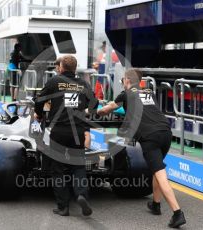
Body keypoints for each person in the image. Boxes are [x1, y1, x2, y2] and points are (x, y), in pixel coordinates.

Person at [97, 68, 186, 228]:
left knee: (160, 172)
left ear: (127, 80)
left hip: (149, 136)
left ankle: (177, 212)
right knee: (156, 170)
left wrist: (97, 112)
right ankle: (156, 204)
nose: (123, 82)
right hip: (165, 132)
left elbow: (107, 109)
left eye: (123, 80)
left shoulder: (126, 93)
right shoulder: (149, 93)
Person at [34, 55, 98, 216]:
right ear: (75, 69)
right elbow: (95, 104)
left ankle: (63, 206)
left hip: (59, 131)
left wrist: (39, 114)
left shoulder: (54, 81)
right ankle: (82, 194)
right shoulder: (83, 84)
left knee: (58, 169)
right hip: (77, 131)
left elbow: (39, 100)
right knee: (78, 166)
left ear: (61, 67)